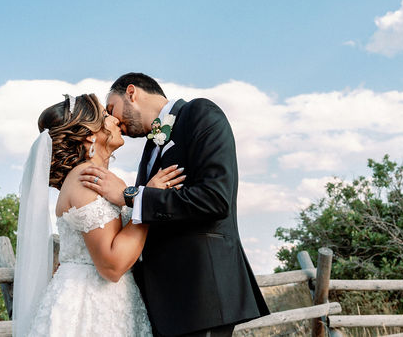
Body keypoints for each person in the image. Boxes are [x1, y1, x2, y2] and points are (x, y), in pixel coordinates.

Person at [81, 73, 270, 337]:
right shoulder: (150, 147)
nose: (113, 121)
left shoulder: (200, 113)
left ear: (132, 93)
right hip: (164, 302)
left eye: (111, 108)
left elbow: (215, 199)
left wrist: (130, 195)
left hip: (201, 295)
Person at [13, 92, 185, 337]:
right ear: (90, 134)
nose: (116, 120)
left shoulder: (98, 178)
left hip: (113, 302)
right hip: (89, 308)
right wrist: (148, 200)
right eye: (106, 115)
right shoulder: (86, 179)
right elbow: (111, 265)